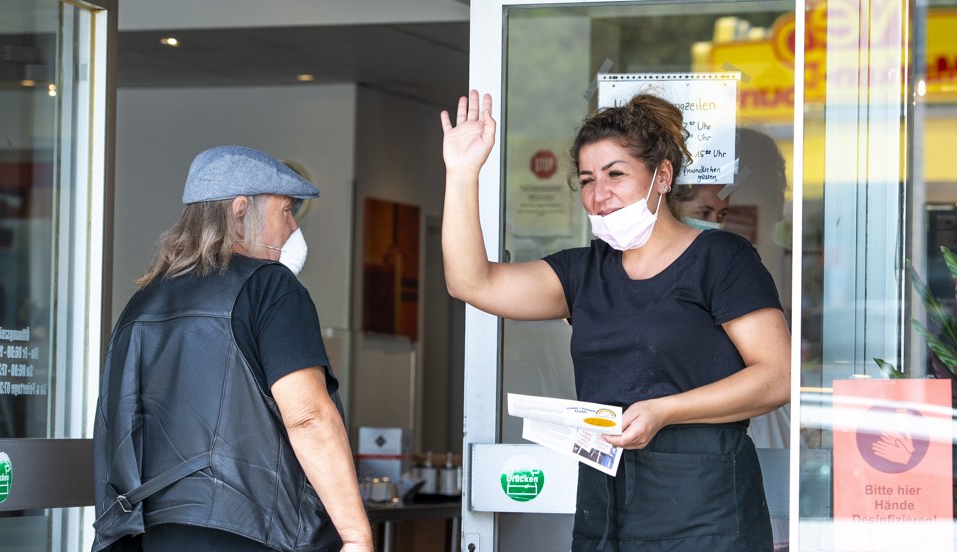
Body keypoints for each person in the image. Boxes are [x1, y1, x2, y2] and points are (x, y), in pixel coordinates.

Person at [440, 91, 790, 551]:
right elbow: (471, 282)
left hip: (706, 507)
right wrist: (463, 172)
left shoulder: (721, 259)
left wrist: (664, 411)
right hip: (606, 502)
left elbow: (778, 376)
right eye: (586, 180)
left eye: (616, 175)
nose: (598, 194)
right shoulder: (583, 272)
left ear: (662, 176)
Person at [92, 146, 373, 552]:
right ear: (241, 211)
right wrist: (355, 535)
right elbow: (308, 416)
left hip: (151, 536)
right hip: (251, 532)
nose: (293, 228)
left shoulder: (142, 302)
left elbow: (116, 423)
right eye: (286, 211)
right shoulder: (270, 288)